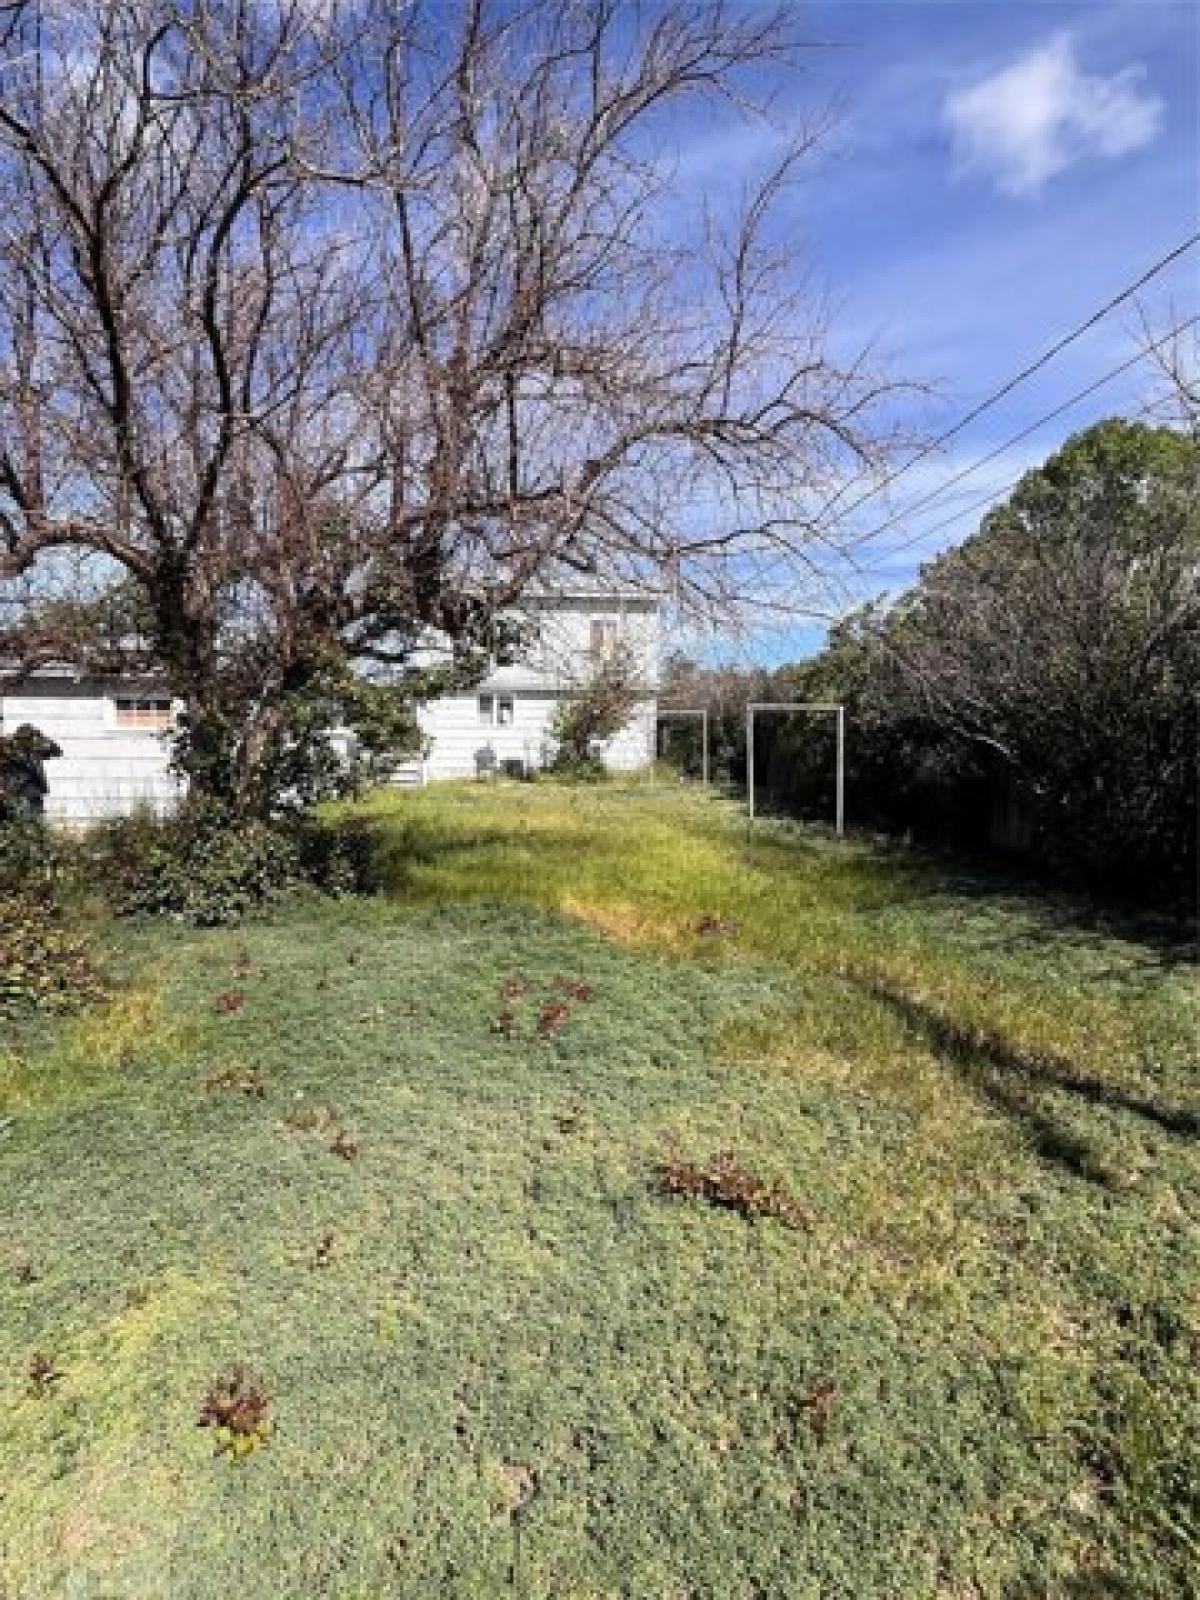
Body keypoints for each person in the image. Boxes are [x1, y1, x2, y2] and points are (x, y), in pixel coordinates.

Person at [0, 724, 61, 823]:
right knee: (19, 822)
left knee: (34, 822)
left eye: (30, 738)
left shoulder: (35, 749)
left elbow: (56, 751)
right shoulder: (8, 746)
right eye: (25, 738)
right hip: (15, 792)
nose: (27, 741)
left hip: (34, 792)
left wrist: (41, 737)